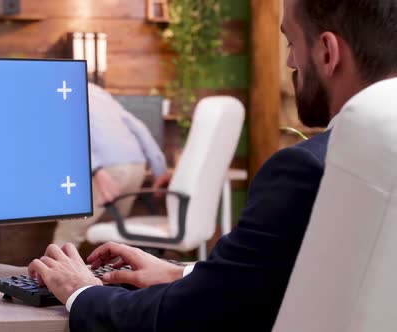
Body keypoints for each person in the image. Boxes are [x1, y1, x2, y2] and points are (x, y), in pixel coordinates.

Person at [29, 0, 397, 330]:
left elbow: (183, 320)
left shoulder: (307, 170)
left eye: (291, 43)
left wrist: (81, 291)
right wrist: (181, 272)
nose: (289, 62)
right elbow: (292, 279)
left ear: (328, 53)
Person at [52, 83, 170, 248]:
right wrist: (159, 169)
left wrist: (96, 169)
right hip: (136, 166)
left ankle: (54, 274)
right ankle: (115, 273)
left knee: (68, 235)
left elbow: (71, 131)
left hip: (106, 170)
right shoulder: (96, 91)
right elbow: (138, 127)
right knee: (114, 238)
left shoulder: (58, 92)